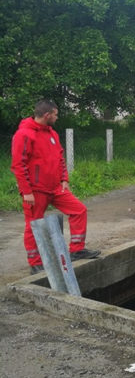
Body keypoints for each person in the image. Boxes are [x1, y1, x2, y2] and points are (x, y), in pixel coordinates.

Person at [11, 100, 100, 274]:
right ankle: (35, 263)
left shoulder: (52, 133)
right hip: (36, 191)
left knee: (79, 210)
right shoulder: (24, 134)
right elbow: (18, 165)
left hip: (55, 188)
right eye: (55, 115)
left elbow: (59, 157)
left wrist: (64, 179)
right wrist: (26, 191)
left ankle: (76, 250)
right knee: (33, 225)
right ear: (47, 115)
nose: (57, 118)